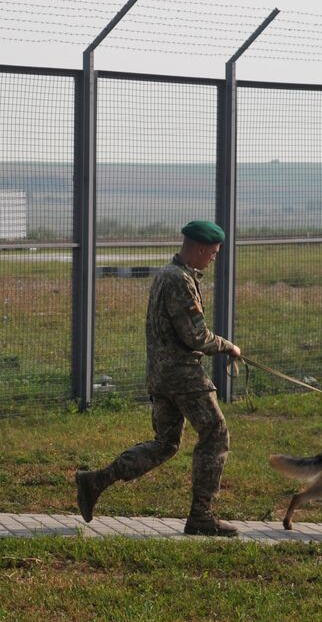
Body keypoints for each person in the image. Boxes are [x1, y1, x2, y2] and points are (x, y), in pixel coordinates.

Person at [74, 220, 242, 536]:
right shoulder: (179, 280)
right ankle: (201, 516)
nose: (214, 258)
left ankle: (95, 481)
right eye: (214, 252)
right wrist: (228, 346)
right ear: (201, 248)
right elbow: (196, 336)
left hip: (160, 374)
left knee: (166, 444)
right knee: (216, 433)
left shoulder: (168, 274)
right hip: (181, 374)